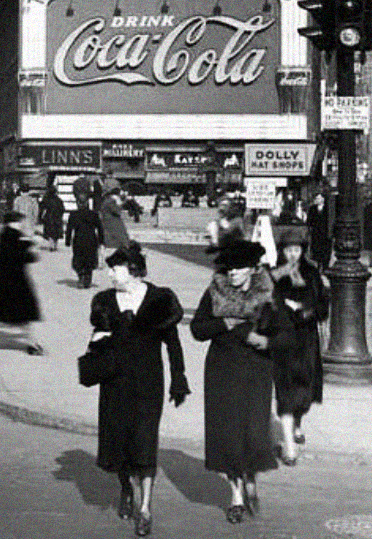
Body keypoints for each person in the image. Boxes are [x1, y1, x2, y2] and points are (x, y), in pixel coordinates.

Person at [88, 243, 190, 536]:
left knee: (144, 442)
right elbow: (95, 340)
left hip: (148, 384)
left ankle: (145, 507)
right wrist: (98, 344)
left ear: (133, 270)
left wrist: (179, 377)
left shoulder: (160, 300)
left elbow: (172, 343)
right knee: (119, 441)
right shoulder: (105, 302)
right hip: (115, 383)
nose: (109, 273)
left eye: (114, 268)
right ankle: (125, 489)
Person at [189, 239, 288, 524]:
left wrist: (266, 341)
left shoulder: (268, 294)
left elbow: (286, 335)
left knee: (254, 431)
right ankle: (235, 495)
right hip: (222, 369)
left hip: (257, 369)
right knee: (229, 433)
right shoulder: (215, 292)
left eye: (239, 268)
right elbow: (197, 329)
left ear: (253, 269)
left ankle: (251, 478)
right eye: (229, 268)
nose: (232, 273)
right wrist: (225, 323)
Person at [270, 225, 329, 465]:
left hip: (306, 340)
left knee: (305, 391)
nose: (292, 255)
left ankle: (297, 422)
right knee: (284, 391)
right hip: (283, 340)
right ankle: (289, 446)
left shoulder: (313, 274)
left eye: (296, 250)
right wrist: (282, 311)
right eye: (288, 250)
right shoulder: (274, 274)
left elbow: (324, 307)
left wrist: (306, 311)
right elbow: (265, 304)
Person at [0, 211, 43, 354]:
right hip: (15, 284)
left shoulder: (5, 235)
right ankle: (31, 344)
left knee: (0, 315)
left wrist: (31, 242)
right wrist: (34, 248)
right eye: (20, 222)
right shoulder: (13, 236)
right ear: (14, 222)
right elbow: (23, 255)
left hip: (6, 282)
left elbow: (21, 245)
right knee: (24, 315)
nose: (22, 224)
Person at [65, 189, 104, 288]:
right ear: (87, 202)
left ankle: (81, 277)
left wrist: (67, 241)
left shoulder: (73, 215)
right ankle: (87, 278)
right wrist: (101, 240)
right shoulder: (93, 214)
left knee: (79, 260)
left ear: (78, 203)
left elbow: (69, 229)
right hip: (91, 240)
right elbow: (100, 228)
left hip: (78, 240)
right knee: (90, 260)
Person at [99, 184, 131, 254]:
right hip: (113, 225)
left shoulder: (107, 200)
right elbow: (117, 211)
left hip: (110, 224)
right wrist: (120, 202)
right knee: (121, 241)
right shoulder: (110, 201)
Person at [305, 191, 332, 270]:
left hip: (326, 233)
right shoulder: (312, 208)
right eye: (316, 198)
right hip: (316, 233)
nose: (317, 199)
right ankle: (318, 265)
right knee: (316, 249)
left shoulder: (328, 209)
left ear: (323, 199)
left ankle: (325, 266)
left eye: (318, 198)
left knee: (326, 249)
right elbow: (309, 221)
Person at [39, 175, 65, 251]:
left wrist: (41, 217)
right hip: (57, 218)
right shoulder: (59, 200)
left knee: (49, 232)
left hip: (49, 217)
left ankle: (51, 245)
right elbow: (62, 209)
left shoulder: (46, 199)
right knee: (56, 233)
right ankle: (55, 245)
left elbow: (42, 208)